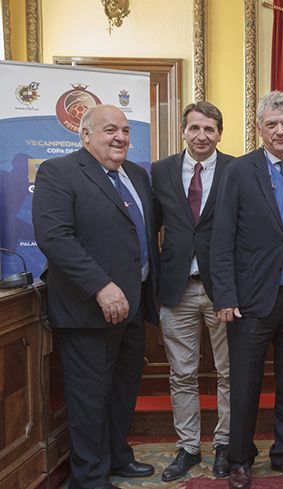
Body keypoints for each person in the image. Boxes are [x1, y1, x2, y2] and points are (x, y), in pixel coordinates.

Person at [32, 105, 158, 489]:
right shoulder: (59, 172)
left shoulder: (136, 175)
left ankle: (116, 456)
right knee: (89, 398)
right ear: (85, 135)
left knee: (123, 389)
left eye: (124, 130)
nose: (120, 137)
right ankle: (89, 477)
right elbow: (55, 237)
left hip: (133, 305)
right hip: (88, 308)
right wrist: (101, 285)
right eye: (109, 130)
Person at [210, 90, 283, 489]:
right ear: (259, 128)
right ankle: (240, 458)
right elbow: (221, 239)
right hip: (248, 300)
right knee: (244, 383)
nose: (280, 131)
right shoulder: (239, 172)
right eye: (272, 124)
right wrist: (224, 296)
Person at [151, 101, 234, 481]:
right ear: (183, 131)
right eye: (195, 128)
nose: (202, 136)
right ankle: (187, 447)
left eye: (210, 129)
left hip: (223, 291)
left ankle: (224, 445)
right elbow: (149, 228)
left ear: (220, 133)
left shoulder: (237, 169)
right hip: (177, 288)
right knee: (181, 373)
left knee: (228, 372)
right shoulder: (161, 171)